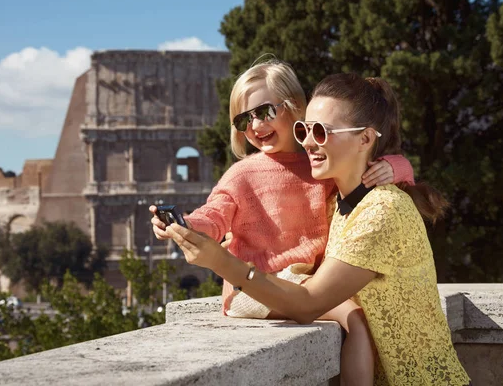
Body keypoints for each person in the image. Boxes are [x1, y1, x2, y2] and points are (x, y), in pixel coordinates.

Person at [163, 73, 472, 385]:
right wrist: (191, 226)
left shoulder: (381, 211)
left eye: (322, 132)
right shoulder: (334, 203)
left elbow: (308, 302)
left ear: (365, 139)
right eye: (305, 130)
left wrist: (219, 260)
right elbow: (217, 211)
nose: (308, 142)